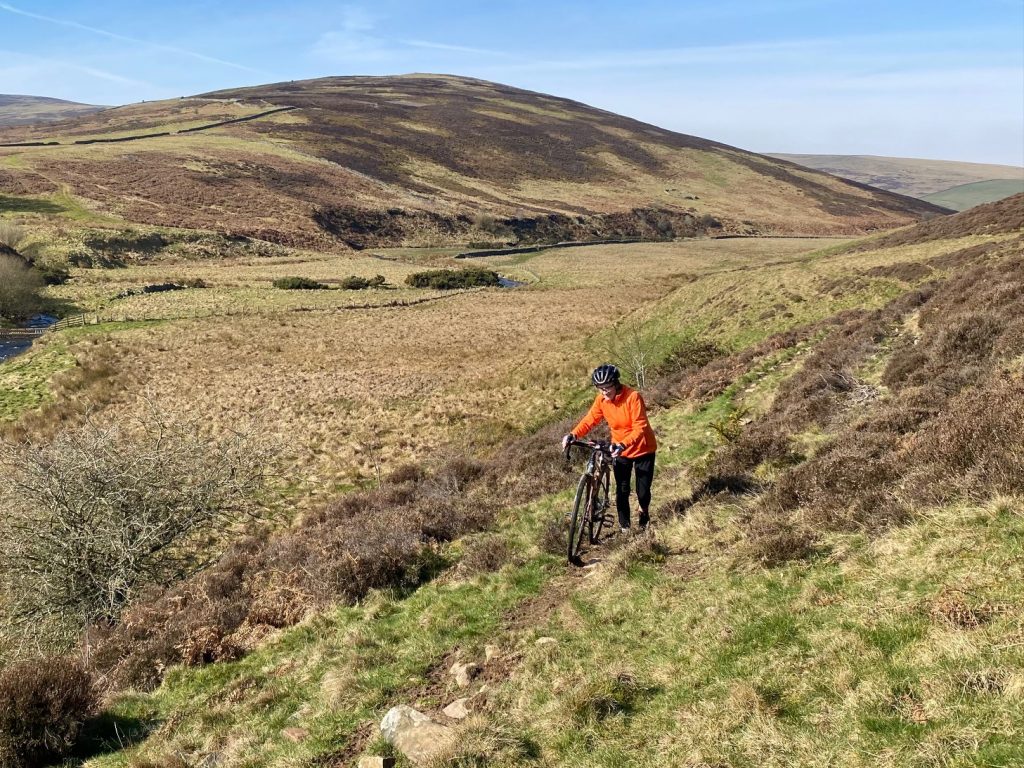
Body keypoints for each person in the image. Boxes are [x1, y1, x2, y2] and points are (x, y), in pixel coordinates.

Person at [562, 364, 657, 533]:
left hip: (643, 448)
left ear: (616, 384)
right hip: (620, 451)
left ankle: (644, 512)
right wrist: (573, 434)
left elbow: (640, 427)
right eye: (600, 388)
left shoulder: (633, 397)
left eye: (607, 387)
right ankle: (625, 527)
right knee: (622, 490)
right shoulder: (602, 400)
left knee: (642, 492)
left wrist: (623, 444)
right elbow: (590, 419)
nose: (604, 392)